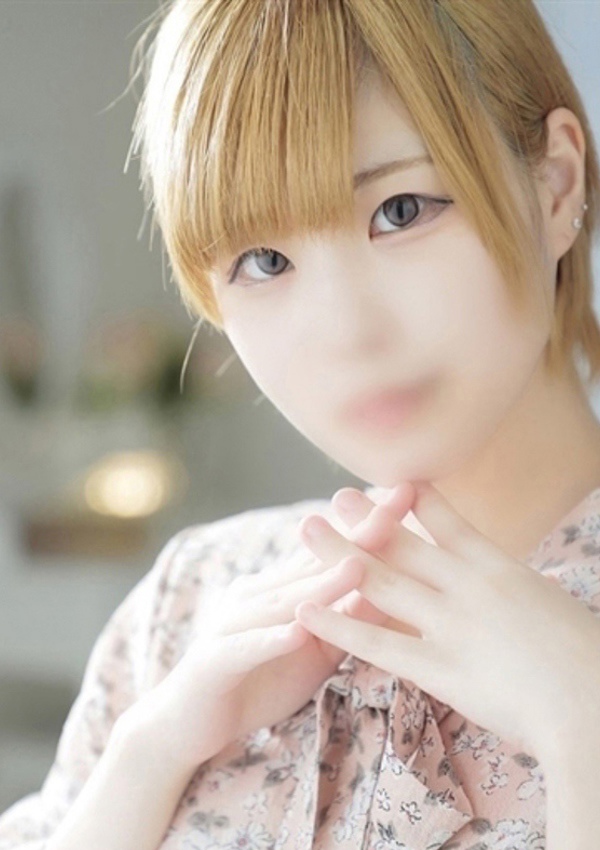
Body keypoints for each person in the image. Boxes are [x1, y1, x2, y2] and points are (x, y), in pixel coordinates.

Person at [2, 1, 600, 848]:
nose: (345, 333)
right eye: (265, 260)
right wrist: (148, 757)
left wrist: (585, 728)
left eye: (401, 210)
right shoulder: (193, 599)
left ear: (556, 183)